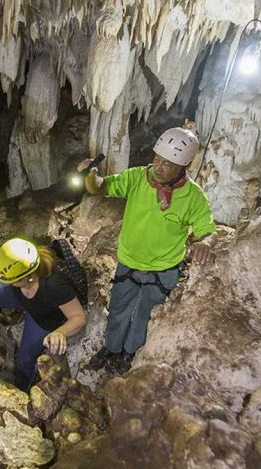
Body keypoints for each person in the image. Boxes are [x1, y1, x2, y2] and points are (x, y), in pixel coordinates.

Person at [82, 127, 217, 373]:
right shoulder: (137, 178)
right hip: (129, 262)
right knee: (118, 310)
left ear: (182, 168)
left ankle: (129, 354)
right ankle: (111, 348)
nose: (158, 167)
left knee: (144, 316)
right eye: (157, 159)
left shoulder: (194, 198)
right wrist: (91, 176)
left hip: (163, 269)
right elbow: (101, 187)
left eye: (167, 163)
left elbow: (207, 229)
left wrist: (205, 243)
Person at [0, 239, 87, 391]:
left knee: (25, 360)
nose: (5, 281)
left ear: (27, 278)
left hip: (43, 317)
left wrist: (60, 332)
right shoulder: (20, 261)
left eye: (10, 280)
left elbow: (78, 317)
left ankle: (22, 385)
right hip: (20, 296)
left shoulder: (56, 286)